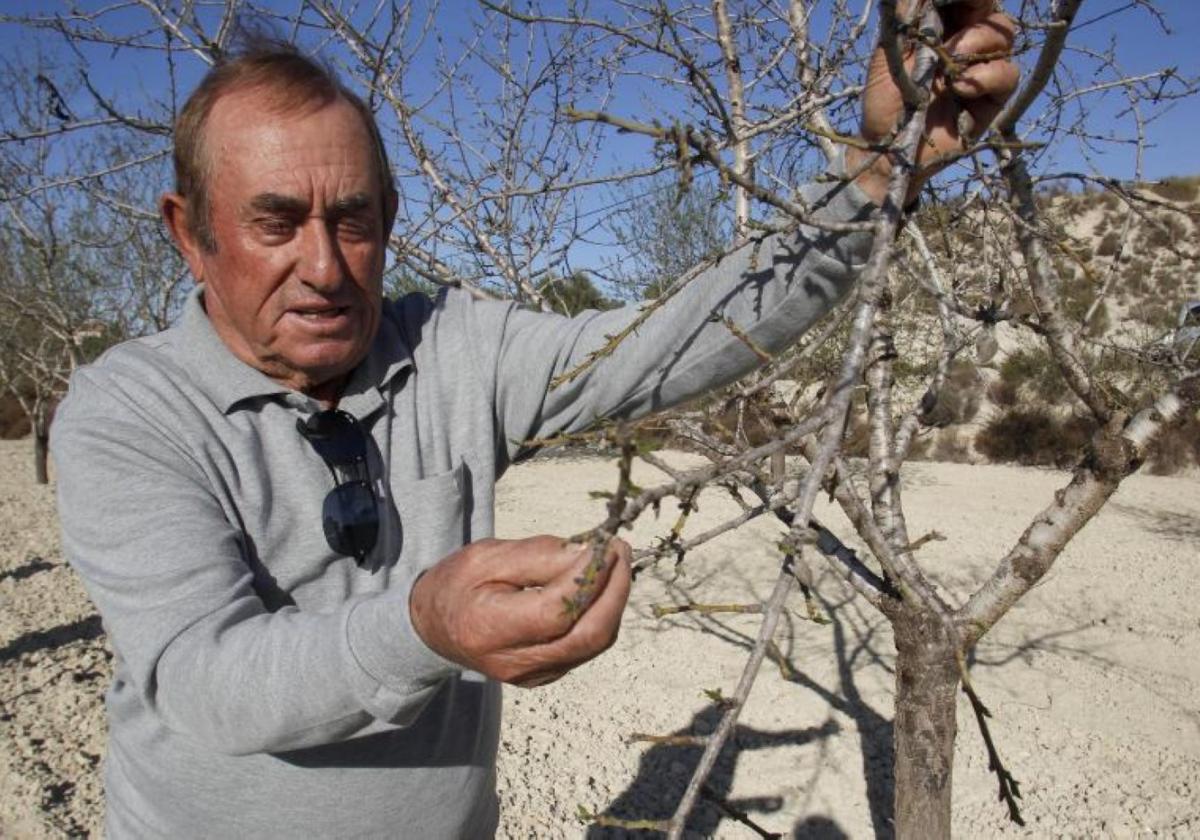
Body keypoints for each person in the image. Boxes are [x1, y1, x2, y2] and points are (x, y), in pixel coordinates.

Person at [51, 2, 1017, 837]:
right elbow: (202, 677)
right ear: (190, 233)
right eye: (275, 223)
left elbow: (663, 346)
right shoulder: (127, 412)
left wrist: (877, 172)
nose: (325, 265)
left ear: (388, 216)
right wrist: (424, 625)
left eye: (352, 220)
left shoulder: (453, 346)